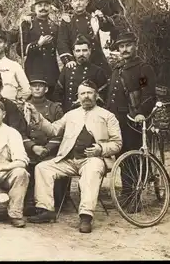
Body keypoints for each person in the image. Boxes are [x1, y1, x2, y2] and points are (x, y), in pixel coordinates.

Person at [25, 80, 122, 233]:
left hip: (93, 160)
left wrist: (101, 148)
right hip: (69, 160)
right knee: (42, 168)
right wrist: (39, 117)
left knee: (92, 171)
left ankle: (86, 216)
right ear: (78, 97)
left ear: (96, 95)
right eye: (82, 93)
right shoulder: (71, 115)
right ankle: (46, 210)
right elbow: (53, 130)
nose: (86, 96)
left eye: (89, 92)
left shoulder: (108, 116)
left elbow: (117, 143)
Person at [106, 31, 157, 211]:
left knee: (132, 157)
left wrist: (141, 113)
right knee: (120, 156)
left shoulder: (142, 69)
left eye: (128, 45)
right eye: (121, 46)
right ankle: (126, 194)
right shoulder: (118, 68)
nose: (125, 49)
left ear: (135, 46)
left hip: (131, 118)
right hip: (115, 119)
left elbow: (148, 94)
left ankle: (134, 197)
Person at [21, 75, 65, 216]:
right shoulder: (22, 107)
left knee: (48, 167)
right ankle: (27, 201)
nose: (37, 88)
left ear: (46, 89)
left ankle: (47, 204)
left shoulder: (55, 107)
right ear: (30, 88)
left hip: (49, 150)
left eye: (40, 86)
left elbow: (60, 133)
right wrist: (33, 147)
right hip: (29, 149)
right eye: (34, 86)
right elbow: (18, 131)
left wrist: (47, 149)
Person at [58, 0, 114, 75]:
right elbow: (62, 41)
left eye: (81, 0)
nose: (78, 3)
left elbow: (107, 27)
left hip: (96, 60)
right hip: (77, 60)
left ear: (86, 2)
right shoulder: (67, 21)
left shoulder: (93, 18)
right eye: (75, 0)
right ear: (71, 4)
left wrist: (102, 18)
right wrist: (69, 60)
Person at [53, 34, 109, 112]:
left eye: (84, 50)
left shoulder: (97, 71)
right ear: (74, 52)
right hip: (69, 112)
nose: (81, 54)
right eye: (78, 51)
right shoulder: (67, 69)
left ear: (90, 51)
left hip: (90, 112)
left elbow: (103, 96)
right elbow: (58, 93)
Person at [21, 0, 60, 100]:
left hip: (51, 70)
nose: (43, 8)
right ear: (35, 8)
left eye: (46, 5)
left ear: (50, 7)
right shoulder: (27, 24)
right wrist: (38, 44)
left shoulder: (55, 26)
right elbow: (20, 49)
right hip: (34, 70)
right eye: (40, 5)